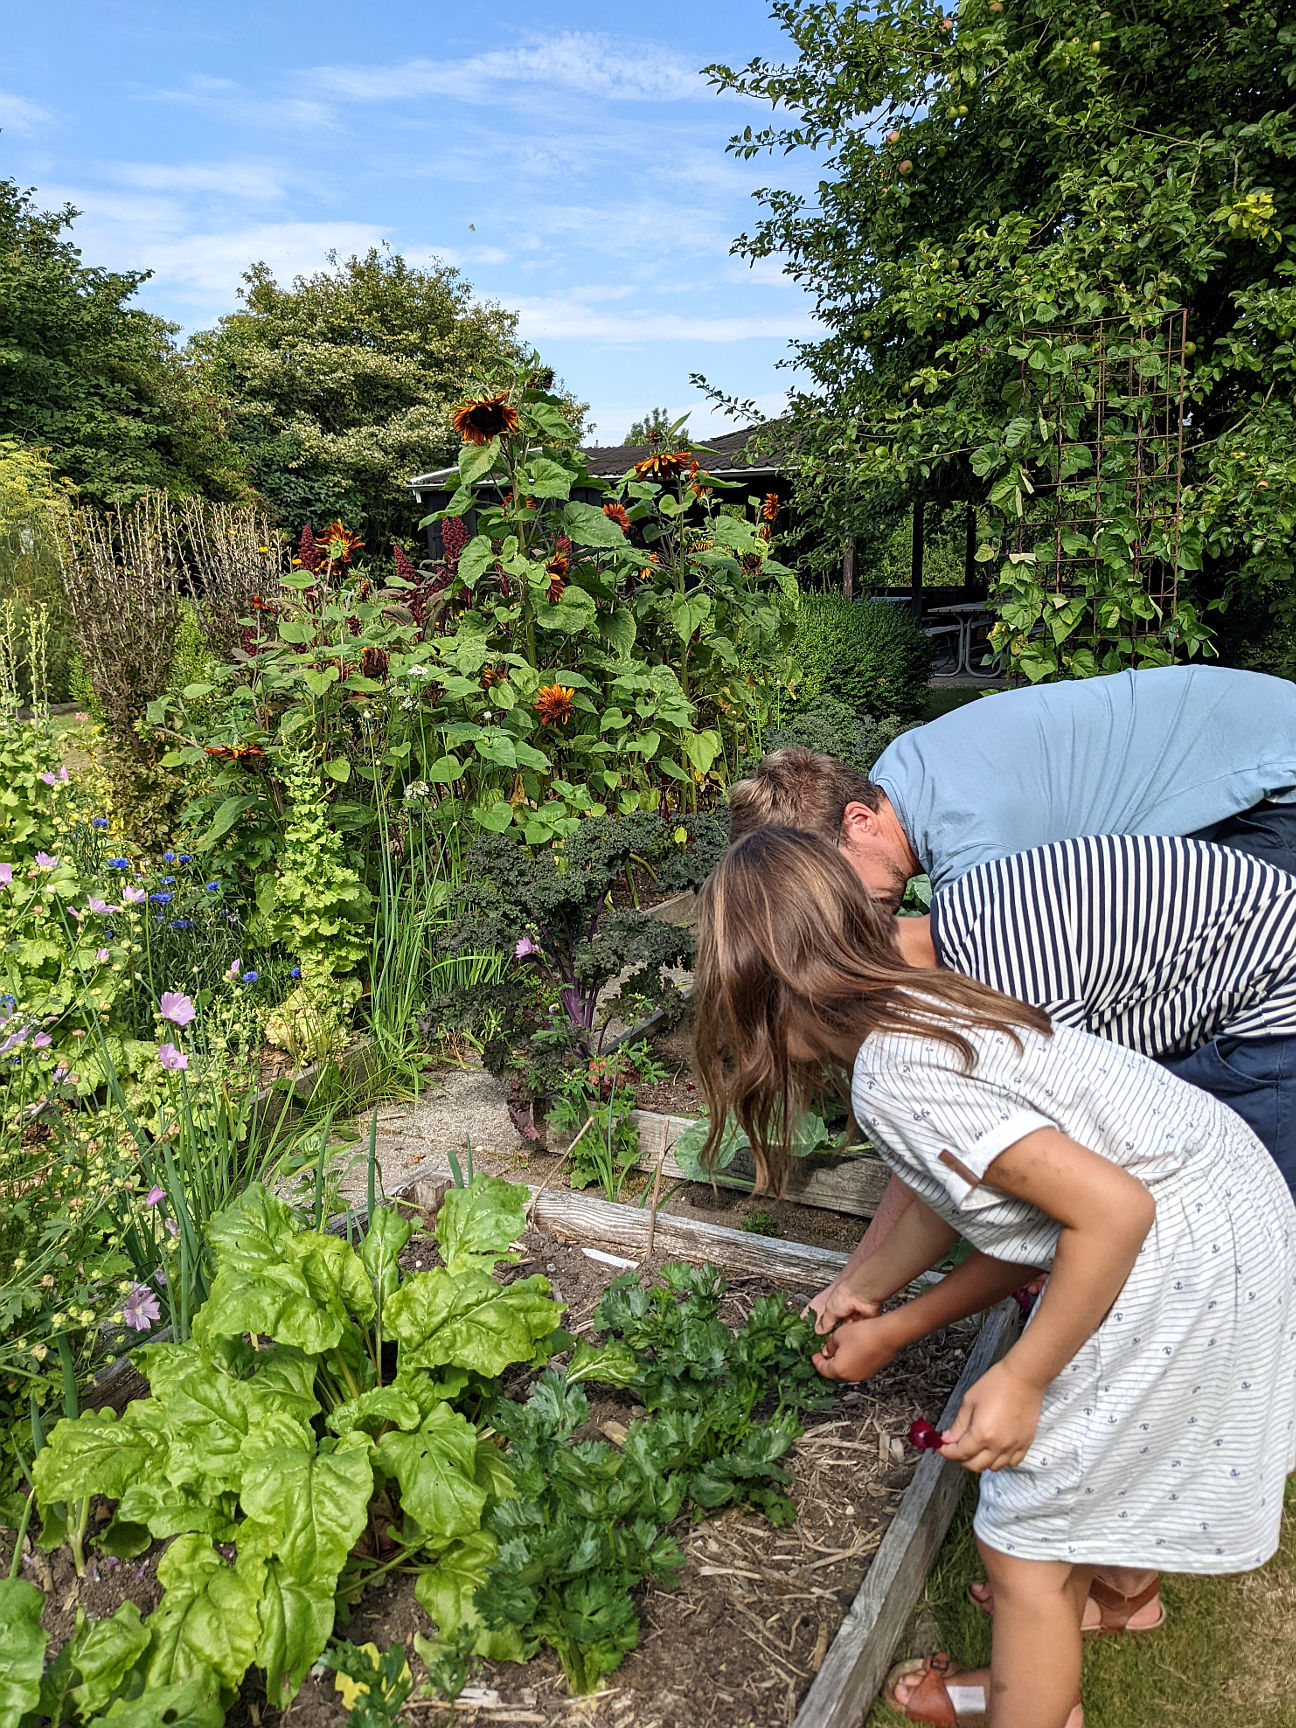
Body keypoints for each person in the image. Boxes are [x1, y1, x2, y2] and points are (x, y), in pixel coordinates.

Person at [693, 828, 1296, 1728]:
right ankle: (1111, 1607)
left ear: (754, 987)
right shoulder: (922, 1004)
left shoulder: (896, 1078)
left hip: (1181, 1244)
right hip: (1214, 1203)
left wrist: (1019, 1376)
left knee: (1020, 1544)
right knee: (1077, 1481)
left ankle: (1036, 1708)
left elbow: (1110, 1213)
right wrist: (878, 1300)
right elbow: (996, 1208)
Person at [727, 665, 1296, 906]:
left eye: (833, 886)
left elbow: (1002, 996)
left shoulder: (967, 838)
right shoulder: (901, 773)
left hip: (1269, 780)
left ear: (858, 820)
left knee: (1230, 1031)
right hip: (1246, 746)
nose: (845, 908)